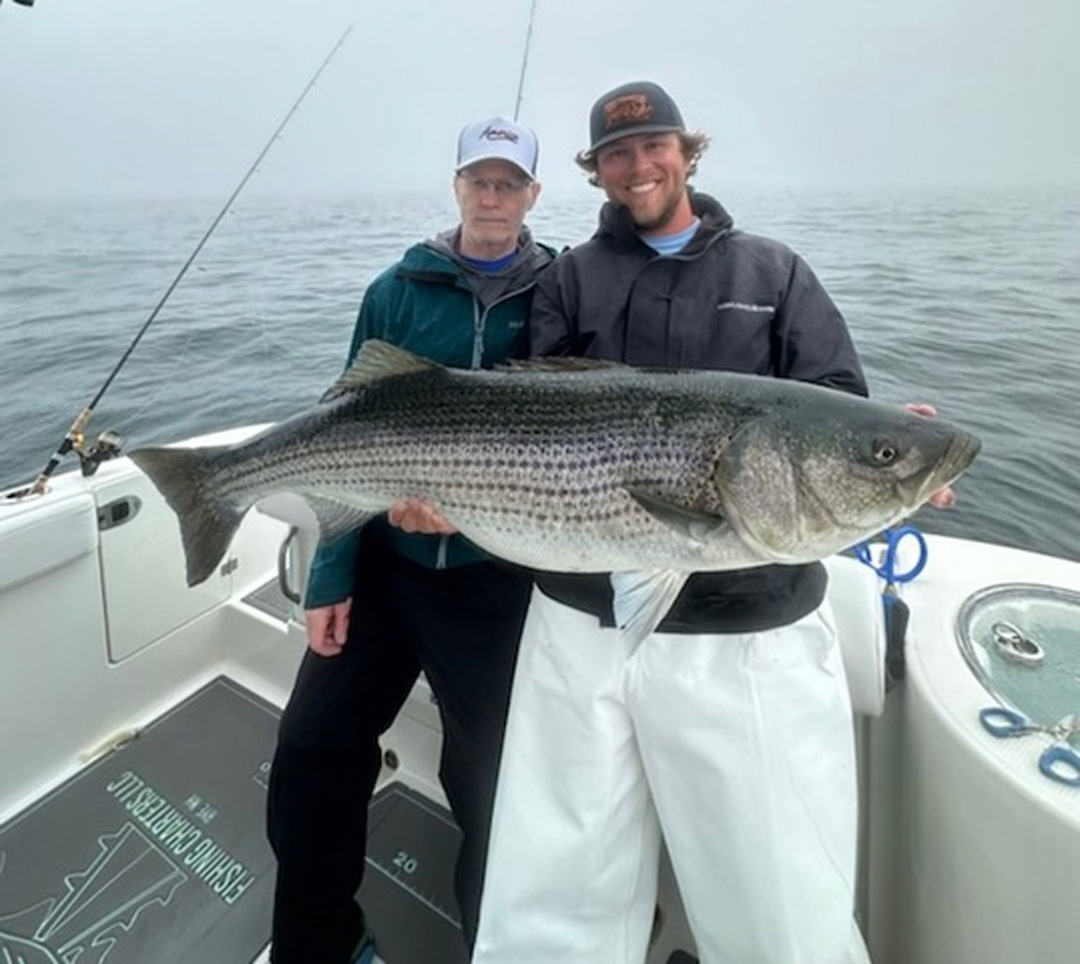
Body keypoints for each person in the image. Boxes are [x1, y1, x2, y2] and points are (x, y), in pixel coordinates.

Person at [471, 81, 945, 964]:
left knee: (777, 910)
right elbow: (527, 416)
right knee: (552, 892)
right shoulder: (570, 278)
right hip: (580, 627)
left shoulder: (773, 272)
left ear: (687, 152)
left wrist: (893, 453)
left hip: (746, 631)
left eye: (655, 145)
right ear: (597, 171)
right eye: (617, 154)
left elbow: (837, 405)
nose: (638, 165)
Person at [265, 115, 554, 964]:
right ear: (457, 186)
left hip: (497, 578)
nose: (492, 196)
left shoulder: (561, 292)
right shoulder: (395, 290)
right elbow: (341, 438)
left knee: (496, 783)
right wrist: (331, 578)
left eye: (508, 183)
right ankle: (318, 943)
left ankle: (496, 946)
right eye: (479, 180)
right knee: (312, 745)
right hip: (389, 569)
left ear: (533, 194)